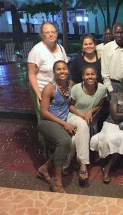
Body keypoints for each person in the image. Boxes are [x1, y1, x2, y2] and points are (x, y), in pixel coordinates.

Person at [90, 76, 123, 183]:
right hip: (111, 123)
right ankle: (107, 162)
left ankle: (107, 167)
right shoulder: (115, 96)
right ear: (121, 86)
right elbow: (115, 115)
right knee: (108, 138)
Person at [66, 65, 106, 186]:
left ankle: (64, 164)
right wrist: (82, 115)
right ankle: (83, 165)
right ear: (83, 77)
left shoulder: (102, 89)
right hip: (73, 116)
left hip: (88, 119)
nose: (90, 76)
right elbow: (70, 106)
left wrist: (90, 111)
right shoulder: (76, 88)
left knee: (74, 140)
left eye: (92, 74)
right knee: (83, 125)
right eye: (87, 74)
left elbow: (100, 105)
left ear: (96, 76)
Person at [37, 60, 74, 193]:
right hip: (47, 122)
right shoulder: (50, 88)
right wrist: (64, 123)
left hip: (61, 122)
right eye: (58, 69)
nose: (62, 71)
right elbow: (44, 112)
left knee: (69, 142)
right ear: (54, 72)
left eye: (64, 68)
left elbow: (71, 104)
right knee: (64, 141)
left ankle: (44, 168)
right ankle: (57, 181)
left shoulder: (70, 85)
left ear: (68, 71)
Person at [27, 21, 68, 119]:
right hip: (42, 90)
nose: (51, 34)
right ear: (41, 35)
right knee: (44, 119)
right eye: (47, 32)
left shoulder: (60, 48)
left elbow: (64, 68)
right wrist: (38, 94)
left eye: (53, 32)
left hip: (57, 91)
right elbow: (32, 74)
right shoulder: (37, 50)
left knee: (59, 116)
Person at [101, 23, 123, 97]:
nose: (119, 35)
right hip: (114, 86)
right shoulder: (106, 48)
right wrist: (110, 90)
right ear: (113, 33)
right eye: (117, 32)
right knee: (114, 108)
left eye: (121, 32)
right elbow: (104, 73)